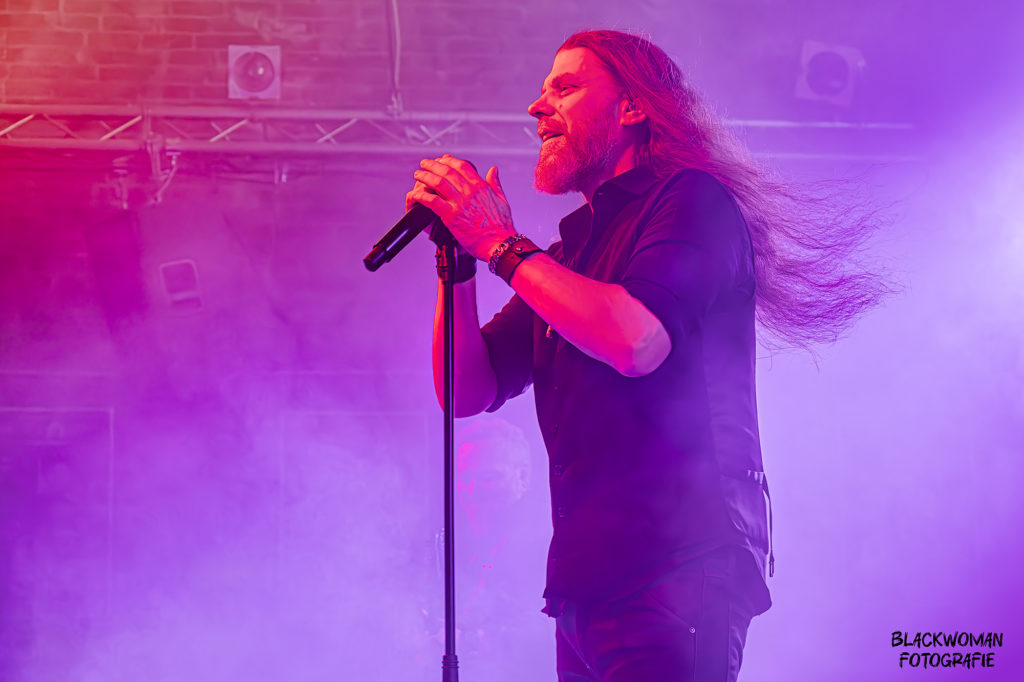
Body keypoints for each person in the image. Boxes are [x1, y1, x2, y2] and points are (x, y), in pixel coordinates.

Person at [406, 29, 886, 682]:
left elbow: (636, 340)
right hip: (584, 585)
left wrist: (499, 242)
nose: (536, 107)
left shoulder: (692, 201)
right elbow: (466, 390)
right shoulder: (569, 258)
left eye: (565, 88)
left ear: (631, 106)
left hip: (677, 568)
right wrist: (460, 264)